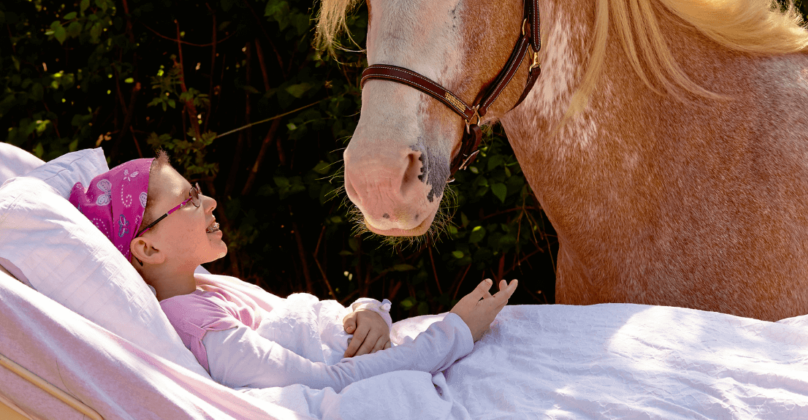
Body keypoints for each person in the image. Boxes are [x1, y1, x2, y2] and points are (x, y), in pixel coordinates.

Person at [68, 152, 517, 391]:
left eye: (199, 191)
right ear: (146, 247)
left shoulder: (205, 288)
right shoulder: (200, 330)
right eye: (188, 200)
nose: (210, 203)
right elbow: (322, 382)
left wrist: (367, 311)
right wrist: (455, 331)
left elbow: (304, 315)